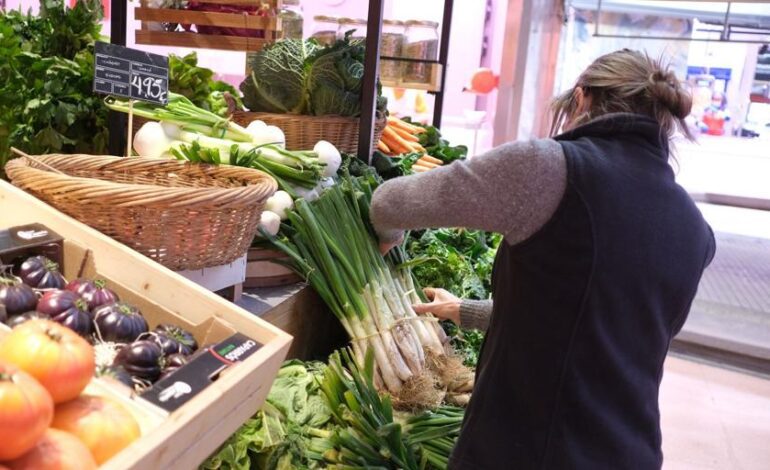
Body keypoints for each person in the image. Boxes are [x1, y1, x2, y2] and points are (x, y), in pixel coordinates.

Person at [369, 49, 716, 469]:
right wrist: (465, 310)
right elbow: (596, 327)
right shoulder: (696, 230)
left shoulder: (549, 168)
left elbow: (389, 203)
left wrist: (390, 236)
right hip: (631, 452)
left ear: (583, 99)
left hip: (530, 450)